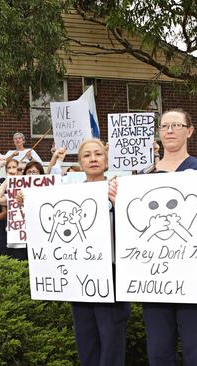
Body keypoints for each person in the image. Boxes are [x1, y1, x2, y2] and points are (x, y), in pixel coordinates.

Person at [139, 109, 197, 366]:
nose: (169, 130)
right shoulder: (142, 179)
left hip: (196, 278)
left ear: (189, 130)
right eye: (164, 126)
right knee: (159, 352)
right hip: (156, 279)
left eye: (176, 125)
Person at [72, 138, 131, 366]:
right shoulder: (69, 194)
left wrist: (118, 203)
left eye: (98, 154)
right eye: (87, 155)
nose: (93, 158)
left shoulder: (121, 190)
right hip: (80, 275)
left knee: (112, 336)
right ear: (79, 162)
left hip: (113, 272)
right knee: (86, 338)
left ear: (106, 160)